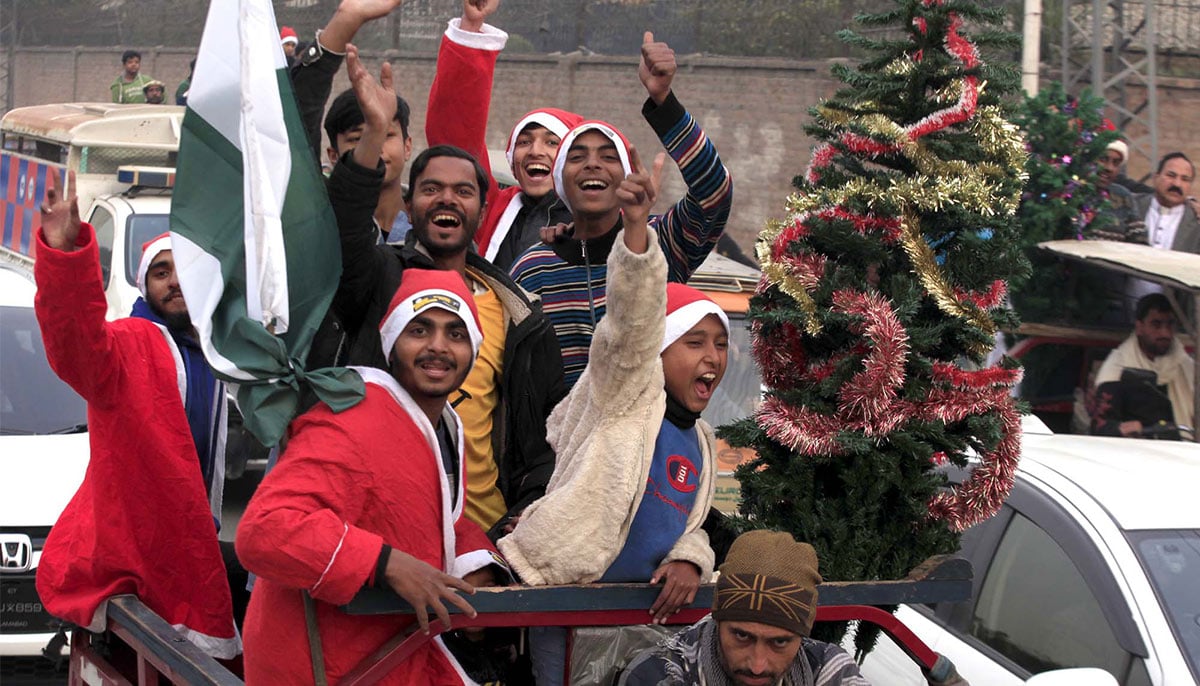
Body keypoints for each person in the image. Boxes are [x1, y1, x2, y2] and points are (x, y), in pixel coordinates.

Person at [498, 147, 724, 684]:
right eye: (694, 342)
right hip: (570, 600)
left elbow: (690, 525)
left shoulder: (703, 441)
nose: (712, 357)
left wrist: (692, 559)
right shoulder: (624, 393)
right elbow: (629, 324)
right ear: (660, 349)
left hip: (645, 619)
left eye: (720, 344)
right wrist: (638, 230)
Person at [321, 49, 565, 538]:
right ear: (410, 206)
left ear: (480, 209)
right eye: (431, 189)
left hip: (484, 540)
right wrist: (373, 133)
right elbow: (345, 230)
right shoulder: (379, 280)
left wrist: (529, 508)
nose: (448, 199)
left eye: (464, 191)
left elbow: (543, 434)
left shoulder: (516, 312)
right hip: (386, 531)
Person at [236, 268, 507, 684]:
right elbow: (266, 530)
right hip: (326, 666)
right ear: (392, 344)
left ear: (474, 349)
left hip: (383, 654)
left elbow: (418, 513)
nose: (438, 347)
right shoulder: (353, 419)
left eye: (455, 334)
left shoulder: (439, 423)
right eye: (419, 330)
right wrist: (388, 563)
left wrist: (477, 565)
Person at [32, 169, 238, 657]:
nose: (174, 281)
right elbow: (77, 342)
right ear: (145, 286)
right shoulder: (131, 343)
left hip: (192, 545)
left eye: (183, 268)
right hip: (140, 558)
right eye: (160, 272)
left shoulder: (219, 352)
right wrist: (64, 256)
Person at [511, 103, 732, 389]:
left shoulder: (660, 241)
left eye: (609, 157)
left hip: (646, 431)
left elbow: (715, 194)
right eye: (577, 157)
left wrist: (664, 102)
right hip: (556, 433)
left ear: (628, 176)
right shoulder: (531, 268)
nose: (593, 164)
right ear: (559, 179)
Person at [424, 0, 581, 271]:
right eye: (524, 142)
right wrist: (471, 29)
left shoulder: (598, 217)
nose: (535, 151)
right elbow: (455, 138)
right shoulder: (492, 210)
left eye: (552, 142)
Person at [620, 530, 870, 686]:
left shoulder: (827, 669)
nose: (758, 665)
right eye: (741, 636)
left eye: (779, 642)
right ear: (718, 621)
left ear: (801, 636)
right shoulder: (659, 674)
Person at [289, 0, 414, 242]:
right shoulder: (321, 223)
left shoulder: (435, 227)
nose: (375, 146)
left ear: (407, 146)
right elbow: (296, 123)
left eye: (386, 135)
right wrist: (346, 21)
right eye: (358, 139)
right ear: (333, 156)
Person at [1090, 293, 1195, 438]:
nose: (1165, 333)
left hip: (1184, 449)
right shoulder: (1119, 367)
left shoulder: (1184, 364)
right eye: (1156, 325)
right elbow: (1099, 427)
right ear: (1139, 327)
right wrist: (1122, 429)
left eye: (1170, 324)